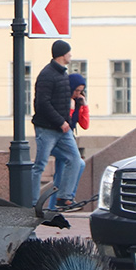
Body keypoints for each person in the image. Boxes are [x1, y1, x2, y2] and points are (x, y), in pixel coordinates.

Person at [30, 39, 82, 207]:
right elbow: (42, 103)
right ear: (62, 54)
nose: (70, 55)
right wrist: (61, 121)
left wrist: (67, 121)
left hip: (63, 129)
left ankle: (63, 197)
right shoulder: (47, 74)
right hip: (47, 129)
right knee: (40, 165)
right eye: (69, 52)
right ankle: (32, 203)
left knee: (75, 160)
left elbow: (62, 102)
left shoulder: (62, 74)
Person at [51, 73, 89, 207]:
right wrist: (71, 109)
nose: (78, 94)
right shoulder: (62, 100)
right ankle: (63, 200)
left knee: (61, 175)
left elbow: (85, 125)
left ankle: (64, 200)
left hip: (68, 138)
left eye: (80, 91)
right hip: (58, 140)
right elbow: (64, 122)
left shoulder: (77, 101)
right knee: (64, 171)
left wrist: (84, 106)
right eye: (76, 90)